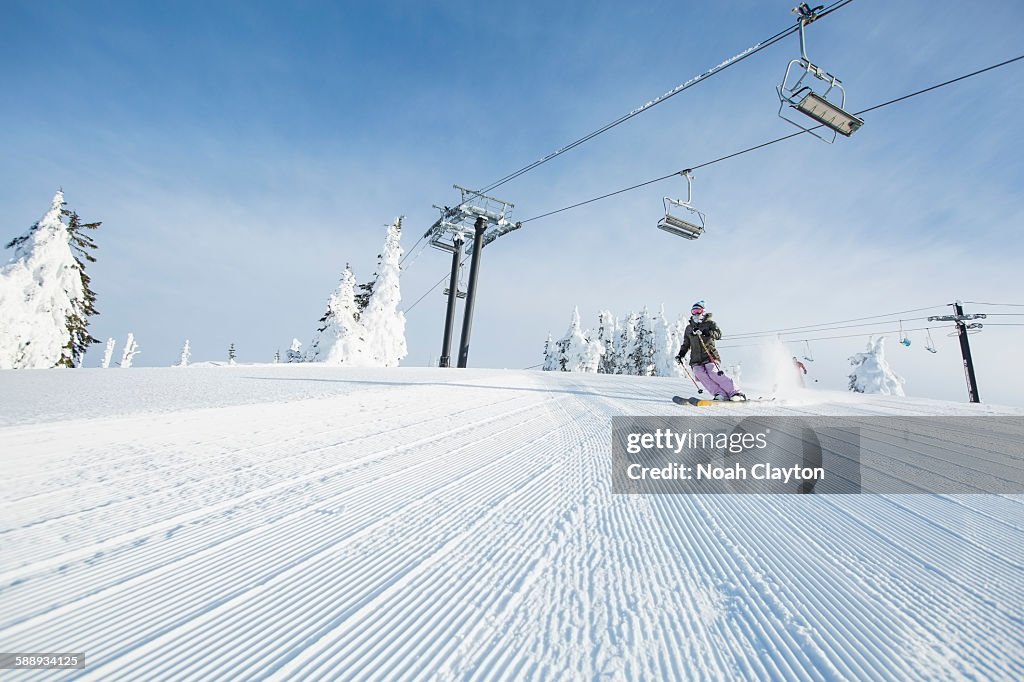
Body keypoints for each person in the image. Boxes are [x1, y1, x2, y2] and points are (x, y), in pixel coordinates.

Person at [676, 300, 745, 400]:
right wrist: (681, 354)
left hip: (710, 355)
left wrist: (706, 332)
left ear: (703, 311)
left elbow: (718, 334)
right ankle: (720, 394)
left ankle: (736, 393)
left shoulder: (710, 323)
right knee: (699, 374)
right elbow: (686, 343)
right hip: (696, 359)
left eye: (698, 311)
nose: (696, 314)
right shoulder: (689, 328)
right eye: (693, 311)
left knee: (713, 372)